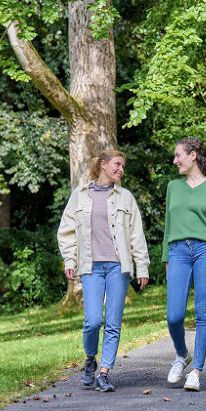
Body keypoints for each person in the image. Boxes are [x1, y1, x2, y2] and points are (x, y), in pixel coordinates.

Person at [57, 149, 149, 392]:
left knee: (113, 322)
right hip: (90, 267)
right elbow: (66, 231)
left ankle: (105, 372)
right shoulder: (80, 196)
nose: (121, 169)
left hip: (119, 267)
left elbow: (136, 235)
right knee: (92, 321)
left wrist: (142, 267)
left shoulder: (126, 198)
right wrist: (69, 260)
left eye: (123, 166)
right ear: (103, 165)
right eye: (118, 164)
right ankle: (90, 359)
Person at [162, 137, 206, 392]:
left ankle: (197, 371)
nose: (175, 160)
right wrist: (166, 258)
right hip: (178, 251)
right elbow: (168, 226)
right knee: (174, 315)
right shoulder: (173, 187)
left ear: (192, 156)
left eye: (178, 155)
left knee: (203, 312)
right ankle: (182, 355)